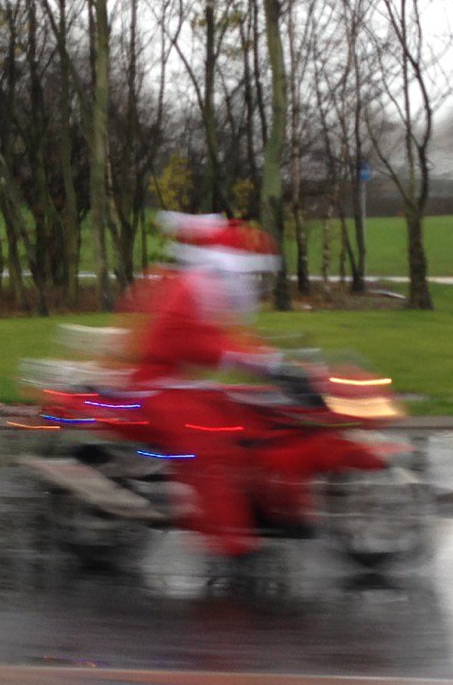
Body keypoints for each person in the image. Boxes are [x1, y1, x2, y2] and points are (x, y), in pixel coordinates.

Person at [110, 211, 387, 557]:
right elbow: (203, 343)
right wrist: (266, 363)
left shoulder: (200, 289)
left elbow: (226, 340)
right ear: (229, 268)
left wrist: (281, 363)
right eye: (252, 274)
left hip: (176, 382)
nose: (256, 285)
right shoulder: (188, 292)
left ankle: (271, 504)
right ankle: (228, 535)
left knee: (253, 416)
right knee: (212, 443)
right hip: (153, 388)